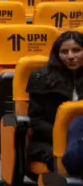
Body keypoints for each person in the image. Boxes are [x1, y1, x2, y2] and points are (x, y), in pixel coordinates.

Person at [26, 31, 83, 168]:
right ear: (57, 54)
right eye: (64, 52)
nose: (70, 56)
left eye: (76, 50)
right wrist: (62, 137)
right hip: (49, 141)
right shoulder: (41, 77)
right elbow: (36, 121)